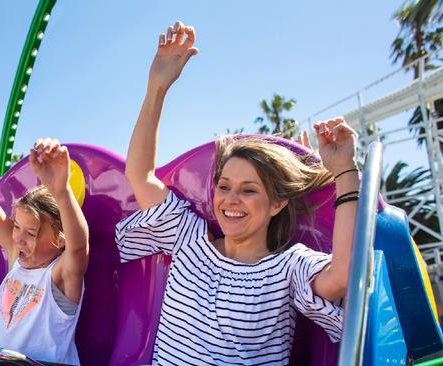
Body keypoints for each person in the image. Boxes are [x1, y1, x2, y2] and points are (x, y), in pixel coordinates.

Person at [116, 21, 360, 365]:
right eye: (224, 186)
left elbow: (342, 277)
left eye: (248, 190)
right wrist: (156, 89)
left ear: (277, 203)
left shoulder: (286, 268)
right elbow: (138, 175)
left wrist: (345, 172)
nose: (230, 199)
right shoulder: (187, 238)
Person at [0, 97, 89, 365]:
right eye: (17, 227)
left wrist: (61, 190)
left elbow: (79, 246)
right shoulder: (16, 256)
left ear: (59, 240)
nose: (18, 238)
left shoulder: (58, 276)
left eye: (31, 233)